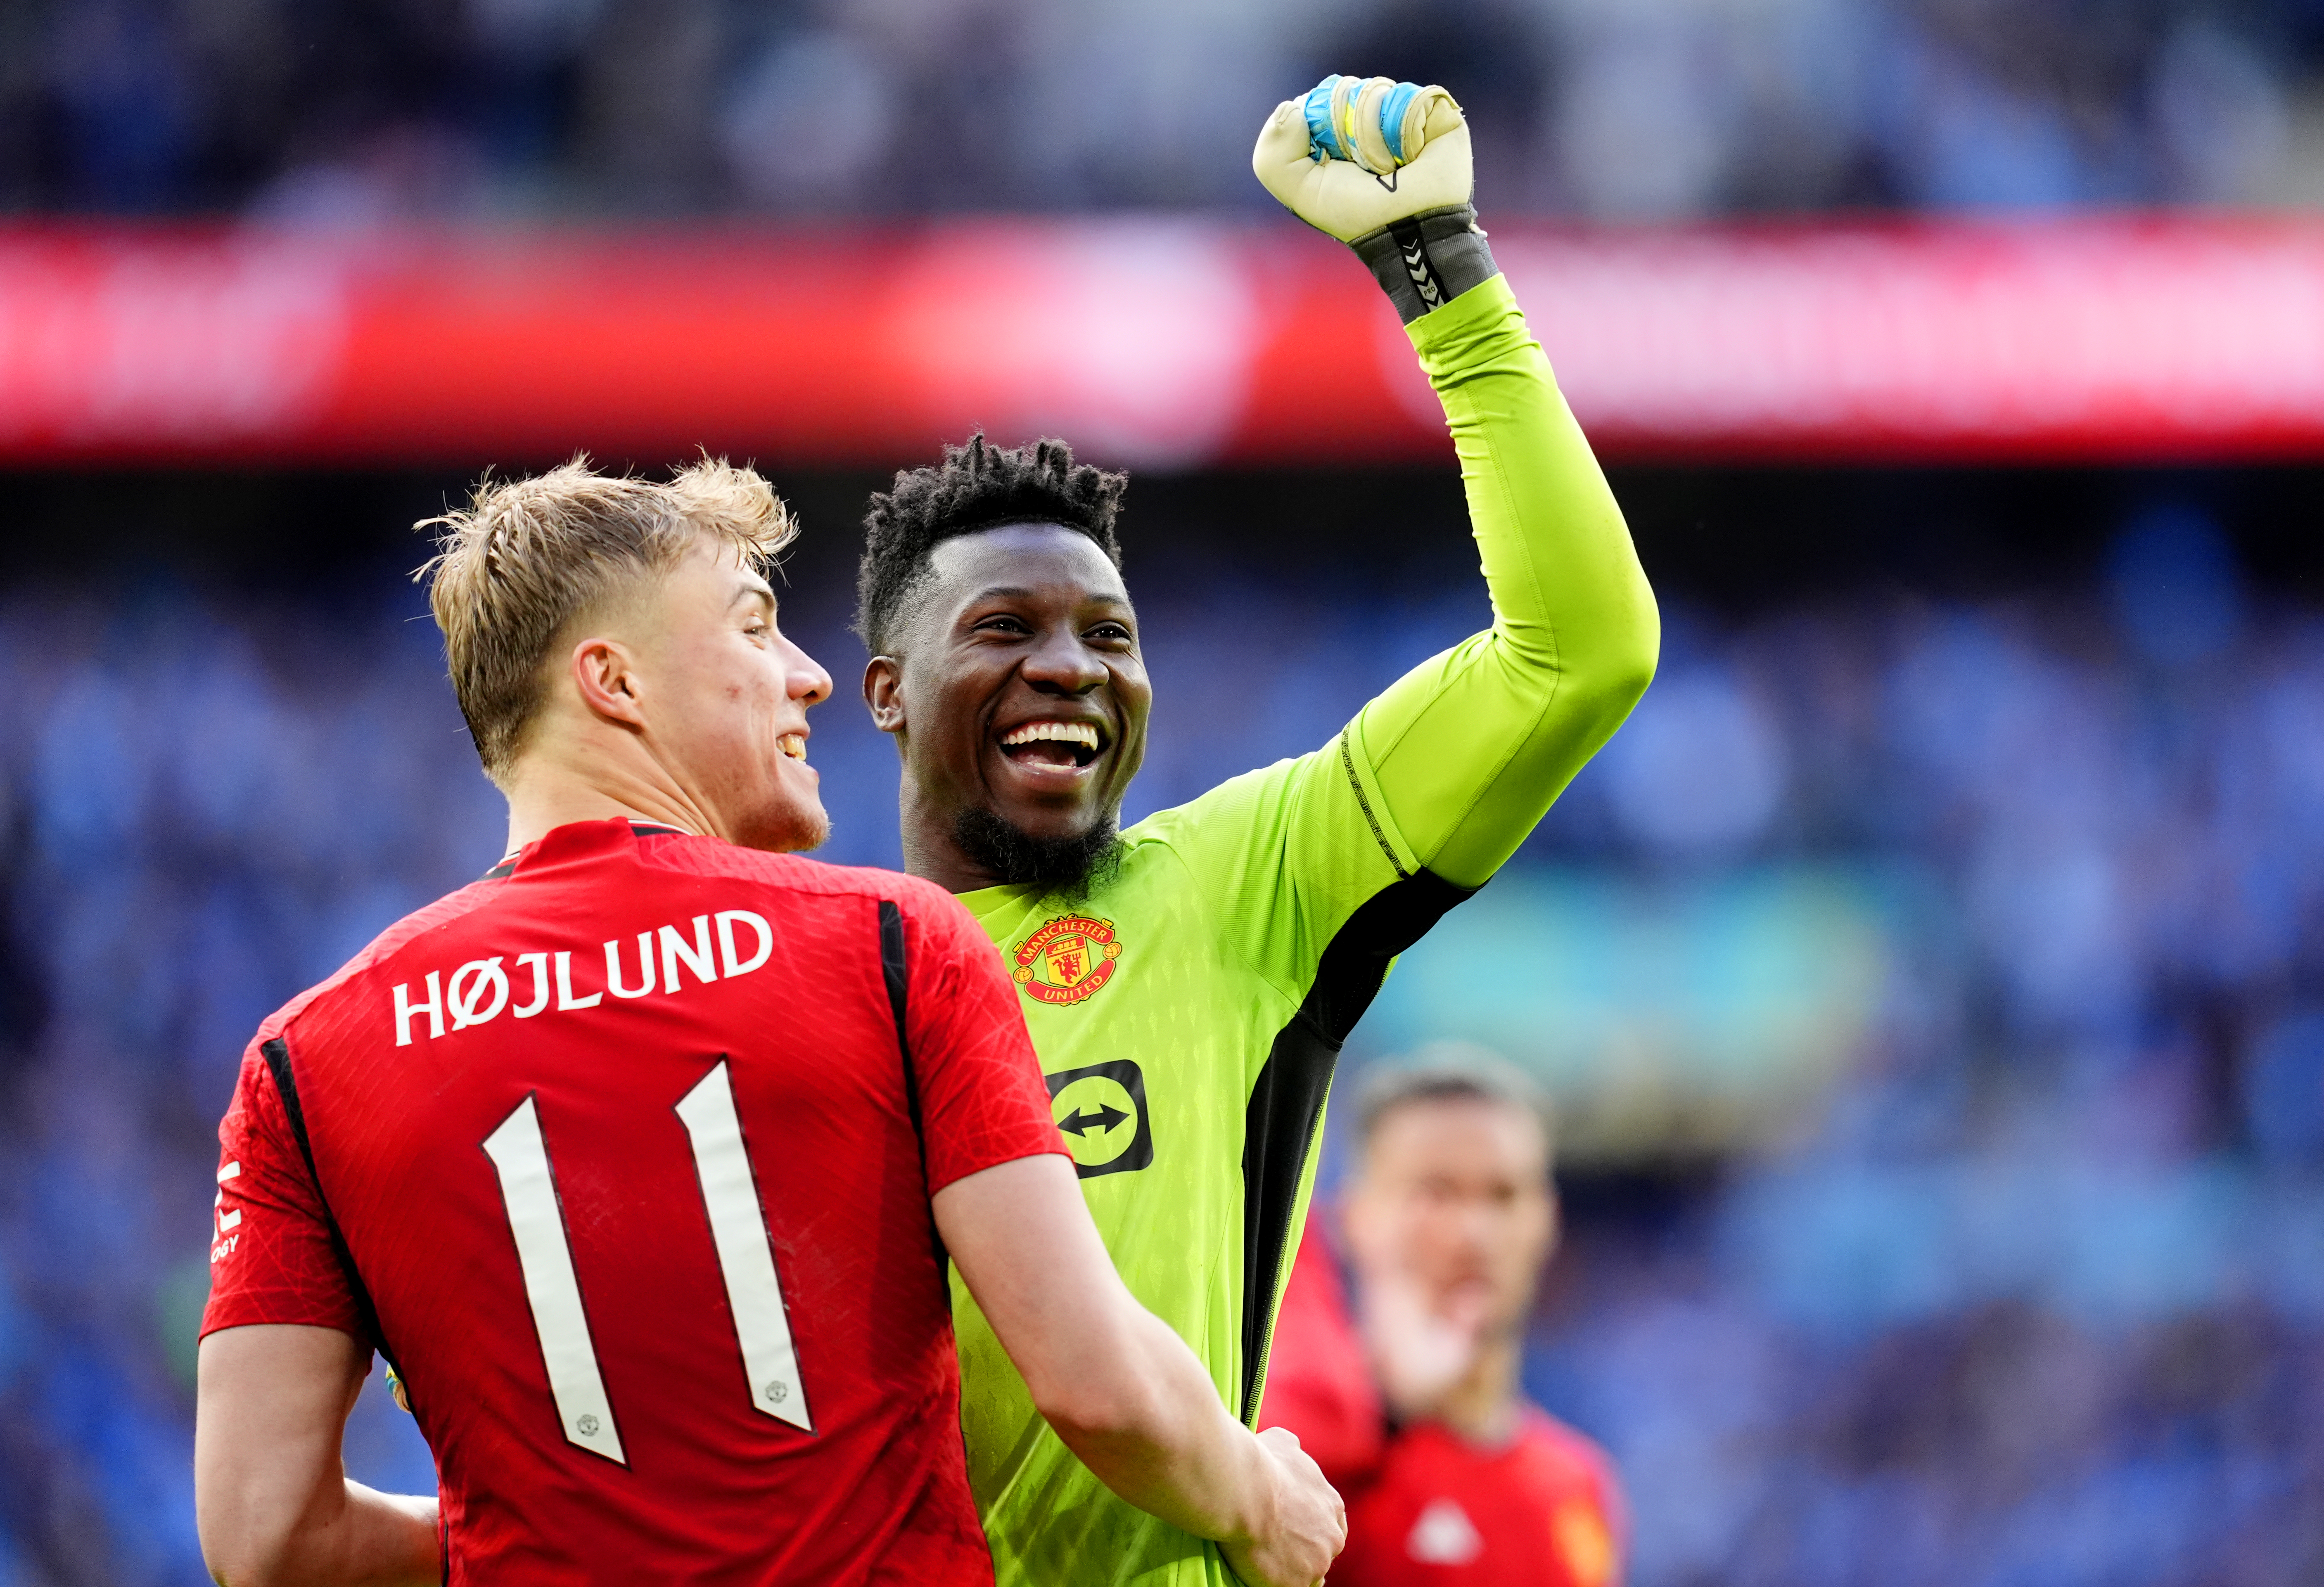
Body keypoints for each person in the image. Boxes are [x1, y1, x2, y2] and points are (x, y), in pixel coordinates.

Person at [192, 460, 1343, 1587]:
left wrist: (535, 1540)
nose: (809, 677)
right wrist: (1257, 1493)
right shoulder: (893, 946)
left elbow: (264, 1535)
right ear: (615, 682)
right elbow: (1098, 1386)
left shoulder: (306, 1060)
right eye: (753, 629)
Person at [854, 78, 1659, 1587]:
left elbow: (1578, 652)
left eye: (1109, 631)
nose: (1071, 668)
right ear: (889, 690)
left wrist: (1442, 276)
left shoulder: (1238, 885)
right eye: (1006, 628)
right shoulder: (813, 981)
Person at [1260, 1063, 1626, 1587]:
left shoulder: (1577, 1483)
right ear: (1355, 1216)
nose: (1472, 1232)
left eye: (1503, 1195)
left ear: (1546, 1219)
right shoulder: (1295, 1447)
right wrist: (1389, 1407)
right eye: (1435, 1192)